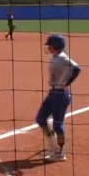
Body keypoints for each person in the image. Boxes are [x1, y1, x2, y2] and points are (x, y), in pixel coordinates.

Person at [36, 34, 81, 162]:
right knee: (41, 118)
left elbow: (77, 69)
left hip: (61, 95)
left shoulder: (62, 58)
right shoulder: (54, 57)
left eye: (49, 45)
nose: (48, 47)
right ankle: (53, 145)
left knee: (57, 125)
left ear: (56, 46)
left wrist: (67, 83)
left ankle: (60, 153)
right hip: (52, 93)